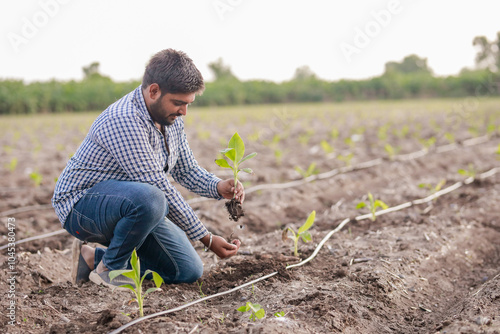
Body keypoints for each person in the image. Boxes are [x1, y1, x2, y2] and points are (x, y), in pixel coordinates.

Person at [52, 49, 242, 289]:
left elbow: (186, 170)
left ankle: (92, 258)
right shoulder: (124, 119)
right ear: (154, 91)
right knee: (154, 197)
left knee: (187, 270)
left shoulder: (170, 119)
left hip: (131, 205)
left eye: (188, 104)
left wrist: (217, 186)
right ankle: (108, 270)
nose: (184, 111)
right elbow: (158, 186)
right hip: (82, 208)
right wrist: (207, 238)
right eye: (178, 103)